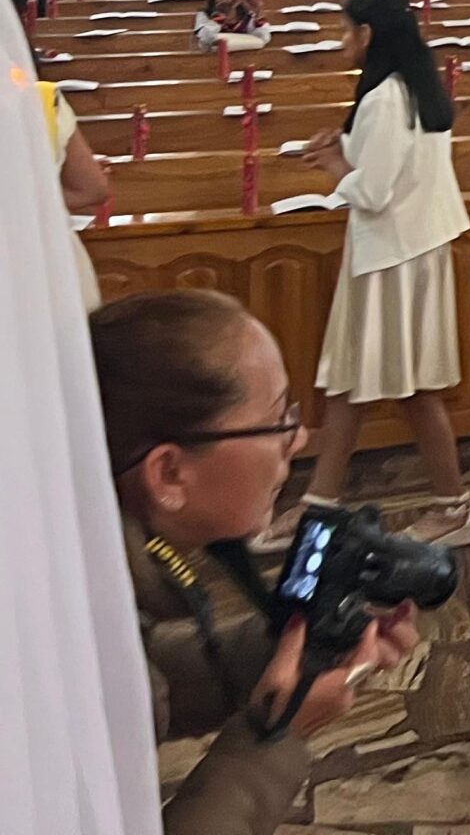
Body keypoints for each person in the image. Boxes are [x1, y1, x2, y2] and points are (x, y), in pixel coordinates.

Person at [95, 291, 421, 835]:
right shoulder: (46, 637)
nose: (299, 439)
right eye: (276, 421)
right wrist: (277, 737)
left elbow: (138, 668)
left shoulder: (92, 560)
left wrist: (289, 651)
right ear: (169, 473)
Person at [266, 0, 470, 546]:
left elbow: (377, 190)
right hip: (399, 249)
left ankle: (455, 507)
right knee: (350, 380)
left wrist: (336, 167)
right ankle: (321, 503)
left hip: (395, 255)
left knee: (411, 388)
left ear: (367, 34)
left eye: (346, 30)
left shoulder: (387, 96)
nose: (342, 41)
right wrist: (342, 152)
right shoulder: (412, 88)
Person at [193, 0, 269, 52]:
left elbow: (263, 38)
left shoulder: (248, 15)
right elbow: (206, 39)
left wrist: (258, 15)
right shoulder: (204, 15)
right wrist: (220, 16)